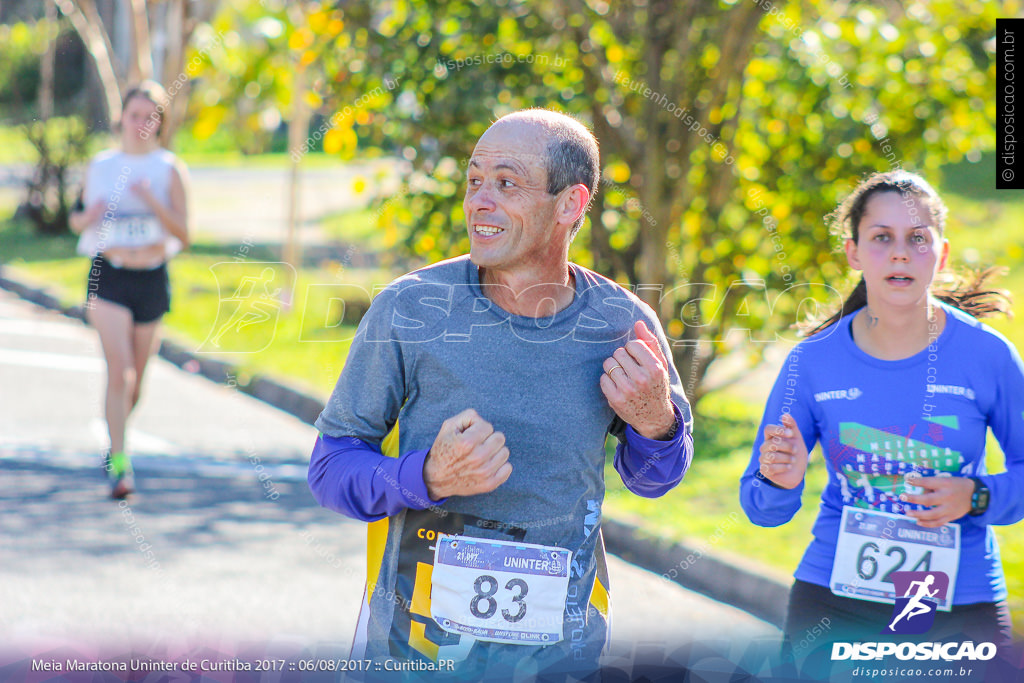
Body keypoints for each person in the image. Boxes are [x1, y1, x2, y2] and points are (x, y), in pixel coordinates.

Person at [308, 109, 693, 680]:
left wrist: (656, 423)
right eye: (474, 180)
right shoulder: (409, 308)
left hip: (560, 655)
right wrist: (427, 479)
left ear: (571, 204)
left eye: (506, 183)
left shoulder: (620, 322)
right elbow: (330, 469)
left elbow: (655, 478)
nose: (479, 201)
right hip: (414, 655)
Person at [739, 171, 1022, 668]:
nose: (899, 253)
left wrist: (975, 496)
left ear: (943, 253)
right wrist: (781, 482)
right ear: (853, 252)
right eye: (881, 238)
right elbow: (761, 505)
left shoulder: (987, 355)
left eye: (917, 239)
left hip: (961, 603)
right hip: (833, 602)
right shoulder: (813, 362)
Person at [69, 81, 190, 498]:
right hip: (109, 274)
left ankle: (113, 439)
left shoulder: (169, 168)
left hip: (151, 278)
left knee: (136, 382)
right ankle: (121, 465)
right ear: (122, 117)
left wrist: (152, 202)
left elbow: (184, 233)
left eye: (150, 117)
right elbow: (77, 220)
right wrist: (91, 216)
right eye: (134, 115)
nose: (141, 124)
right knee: (119, 371)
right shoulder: (101, 164)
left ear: (160, 123)